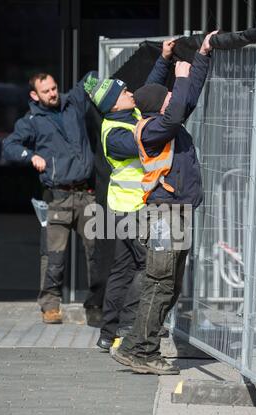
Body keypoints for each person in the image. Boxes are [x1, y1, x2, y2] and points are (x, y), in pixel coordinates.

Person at [112, 31, 218, 375]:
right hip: (164, 215)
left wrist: (201, 56)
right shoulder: (152, 128)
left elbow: (188, 97)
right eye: (169, 95)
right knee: (159, 282)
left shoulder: (166, 121)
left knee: (169, 285)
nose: (176, 96)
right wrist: (181, 74)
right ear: (160, 104)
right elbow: (176, 108)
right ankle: (142, 351)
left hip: (178, 213)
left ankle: (135, 346)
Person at [85, 40, 176, 350]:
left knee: (122, 269)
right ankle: (126, 326)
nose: (131, 93)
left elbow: (149, 87)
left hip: (125, 208)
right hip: (131, 209)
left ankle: (107, 333)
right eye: (124, 93)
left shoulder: (129, 113)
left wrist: (163, 59)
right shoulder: (115, 133)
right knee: (142, 267)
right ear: (113, 104)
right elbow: (146, 142)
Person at [2, 72, 104, 325]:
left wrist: (104, 75)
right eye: (46, 91)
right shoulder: (32, 121)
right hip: (57, 197)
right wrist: (30, 156)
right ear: (34, 95)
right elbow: (9, 146)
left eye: (54, 88)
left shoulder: (73, 102)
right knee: (53, 255)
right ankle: (50, 305)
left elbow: (90, 77)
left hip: (86, 195)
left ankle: (96, 306)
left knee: (97, 253)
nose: (52, 93)